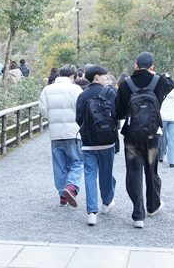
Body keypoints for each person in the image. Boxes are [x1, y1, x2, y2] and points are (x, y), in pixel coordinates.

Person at [114, 52, 174, 227]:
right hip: (153, 134)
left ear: (135, 65)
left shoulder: (126, 84)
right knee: (152, 170)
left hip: (132, 136)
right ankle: (153, 206)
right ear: (152, 66)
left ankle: (138, 214)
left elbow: (119, 113)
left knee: (133, 172)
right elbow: (171, 84)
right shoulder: (159, 82)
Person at [75, 64, 118, 226]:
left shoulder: (82, 95)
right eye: (105, 76)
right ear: (97, 77)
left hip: (88, 142)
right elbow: (116, 115)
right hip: (107, 141)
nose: (107, 79)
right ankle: (106, 203)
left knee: (90, 175)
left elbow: (78, 118)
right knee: (106, 173)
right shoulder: (108, 92)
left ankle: (91, 212)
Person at [38, 64, 83, 208]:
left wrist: (52, 118)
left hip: (55, 133)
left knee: (59, 164)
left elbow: (43, 110)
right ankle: (71, 186)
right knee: (77, 161)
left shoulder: (47, 89)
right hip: (73, 132)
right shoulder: (75, 89)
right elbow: (81, 108)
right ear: (72, 76)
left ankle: (62, 195)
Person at [160, 84, 174, 167]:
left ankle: (160, 156)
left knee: (161, 138)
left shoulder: (160, 88)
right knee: (173, 139)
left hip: (163, 117)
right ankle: (173, 161)